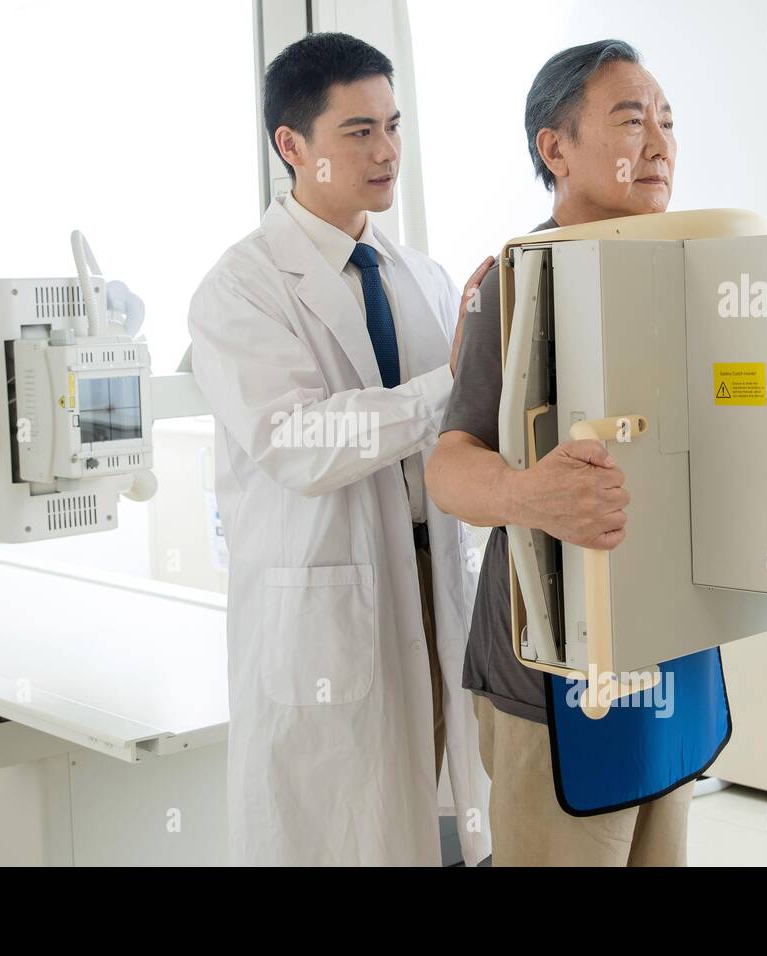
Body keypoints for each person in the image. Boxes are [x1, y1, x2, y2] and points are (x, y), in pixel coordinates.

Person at [188, 32, 492, 866]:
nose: (388, 150)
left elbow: (457, 433)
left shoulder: (418, 278)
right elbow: (300, 444)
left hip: (433, 588)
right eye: (359, 132)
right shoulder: (239, 288)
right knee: (344, 831)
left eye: (393, 125)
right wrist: (454, 379)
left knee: (443, 822)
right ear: (293, 146)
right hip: (329, 614)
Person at [428, 39, 712, 866]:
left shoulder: (686, 270)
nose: (658, 144)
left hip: (668, 653)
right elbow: (450, 464)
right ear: (555, 149)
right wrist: (530, 497)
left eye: (666, 121)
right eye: (630, 121)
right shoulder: (517, 284)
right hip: (552, 681)